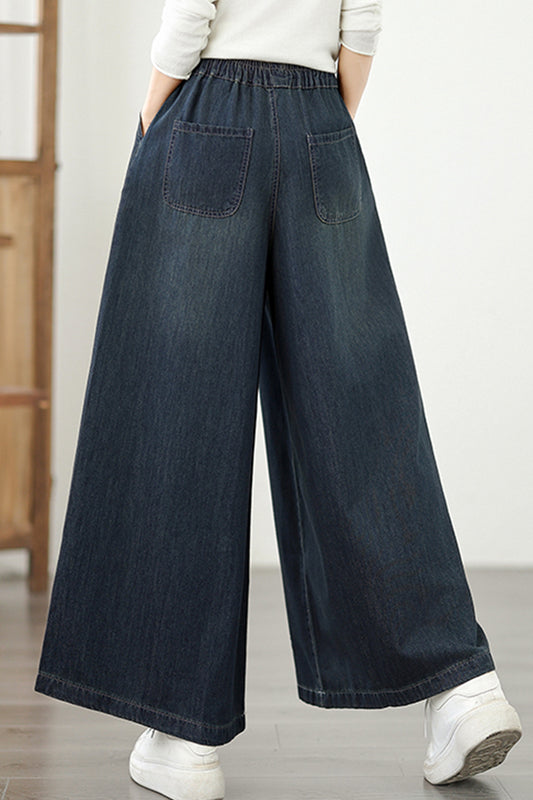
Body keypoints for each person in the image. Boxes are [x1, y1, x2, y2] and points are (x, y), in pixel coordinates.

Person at [34, 1, 522, 798]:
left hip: (208, 111)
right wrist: (322, 124)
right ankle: (462, 691)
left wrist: (154, 117)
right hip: (320, 118)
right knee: (363, 406)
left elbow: (193, 10)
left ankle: (182, 735)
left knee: (180, 410)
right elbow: (361, 20)